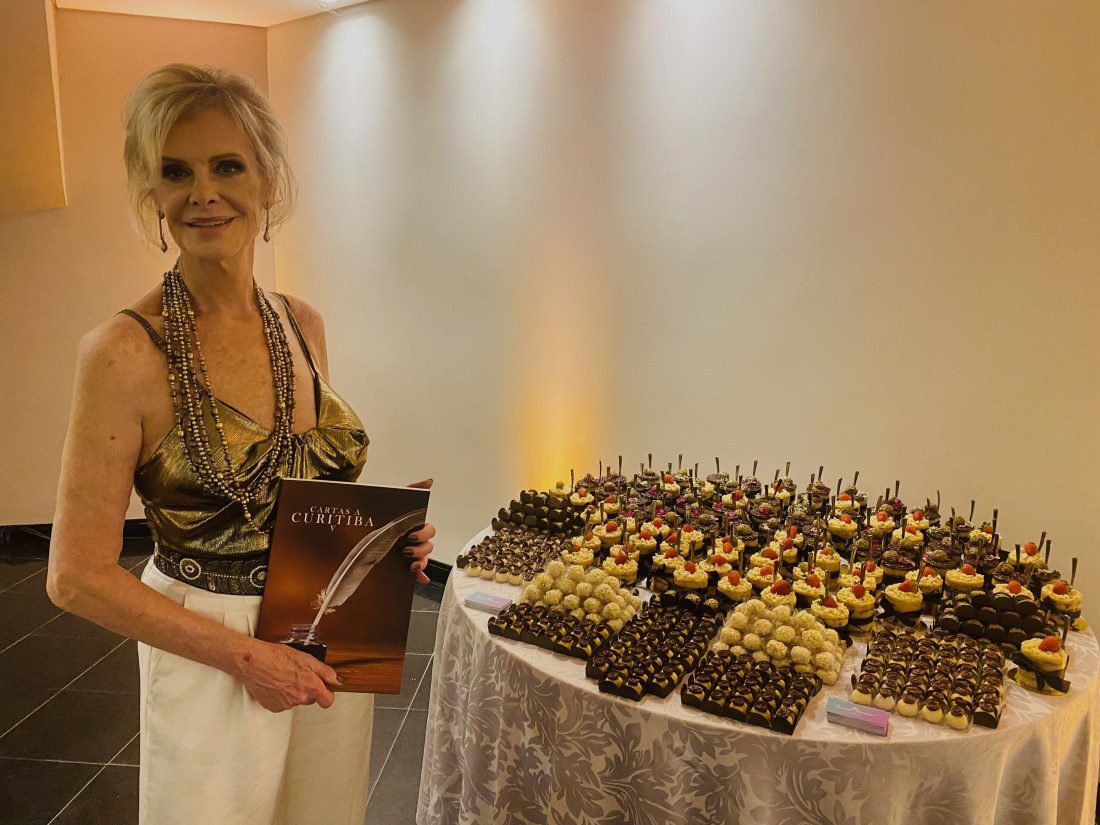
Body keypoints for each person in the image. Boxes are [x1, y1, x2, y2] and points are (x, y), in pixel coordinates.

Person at [46, 63, 436, 825]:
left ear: (268, 180)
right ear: (151, 193)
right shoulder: (123, 352)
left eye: (227, 166)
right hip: (209, 645)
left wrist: (384, 542)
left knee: (321, 812)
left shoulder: (302, 322)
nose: (204, 193)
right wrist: (247, 656)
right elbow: (76, 575)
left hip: (325, 623)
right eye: (175, 172)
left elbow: (303, 493)